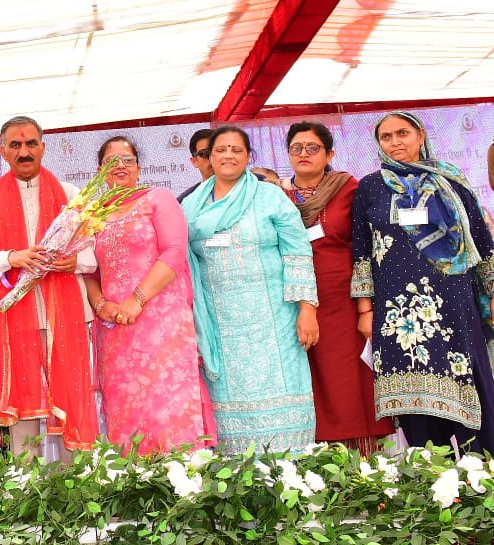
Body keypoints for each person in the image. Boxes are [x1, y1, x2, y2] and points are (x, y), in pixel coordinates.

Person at [352, 112, 494, 452]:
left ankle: (480, 469)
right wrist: (365, 309)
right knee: (413, 395)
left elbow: (481, 239)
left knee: (468, 379)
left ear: (420, 135)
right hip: (397, 310)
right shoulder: (370, 187)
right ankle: (430, 473)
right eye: (386, 137)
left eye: (402, 133)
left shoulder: (450, 181)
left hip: (454, 301)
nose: (395, 142)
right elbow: (361, 250)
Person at [182, 125, 319, 454]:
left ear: (248, 157)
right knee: (228, 398)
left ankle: (290, 470)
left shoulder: (270, 197)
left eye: (236, 150)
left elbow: (297, 251)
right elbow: (183, 262)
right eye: (221, 150)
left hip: (274, 321)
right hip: (219, 324)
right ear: (209, 157)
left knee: (283, 390)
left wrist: (307, 309)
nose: (228, 156)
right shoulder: (190, 206)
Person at [0, 115, 98, 456]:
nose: (24, 152)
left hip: (67, 316)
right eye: (15, 145)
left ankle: (73, 480)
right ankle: (27, 482)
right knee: (21, 402)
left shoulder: (71, 195)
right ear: (3, 152)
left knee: (71, 398)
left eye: (30, 144)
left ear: (43, 147)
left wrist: (75, 262)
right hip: (16, 317)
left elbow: (93, 254)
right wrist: (12, 257)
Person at [85, 137, 215, 454]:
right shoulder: (91, 215)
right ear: (99, 171)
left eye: (127, 160)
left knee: (166, 400)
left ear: (139, 168)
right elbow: (87, 270)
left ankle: (182, 473)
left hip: (161, 322)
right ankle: (134, 477)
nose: (120, 166)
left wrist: (137, 300)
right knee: (124, 403)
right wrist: (100, 305)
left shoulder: (158, 198)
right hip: (115, 328)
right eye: (111, 161)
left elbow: (174, 252)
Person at [280, 122, 394, 454]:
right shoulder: (275, 196)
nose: (304, 153)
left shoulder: (349, 189)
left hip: (345, 298)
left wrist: (367, 306)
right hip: (295, 300)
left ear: (329, 154)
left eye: (313, 147)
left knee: (349, 380)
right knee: (311, 380)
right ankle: (320, 463)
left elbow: (367, 246)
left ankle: (366, 463)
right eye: (297, 147)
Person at [177, 128, 214, 202]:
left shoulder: (239, 189)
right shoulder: (184, 201)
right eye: (204, 153)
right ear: (194, 161)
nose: (212, 158)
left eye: (219, 151)